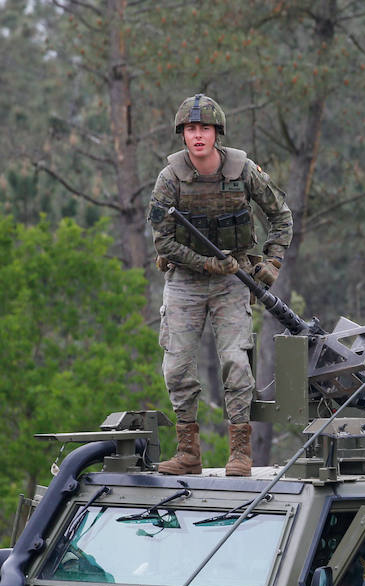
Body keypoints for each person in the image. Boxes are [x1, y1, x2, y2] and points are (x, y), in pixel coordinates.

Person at [146, 93, 292, 477]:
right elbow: (163, 241)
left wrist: (272, 261)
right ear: (182, 135)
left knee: (236, 363)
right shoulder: (170, 179)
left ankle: (240, 452)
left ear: (217, 134)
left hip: (232, 280)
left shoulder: (243, 170)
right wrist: (206, 262)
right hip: (184, 281)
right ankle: (188, 452)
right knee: (176, 367)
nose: (198, 136)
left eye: (204, 129)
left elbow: (281, 215)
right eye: (192, 129)